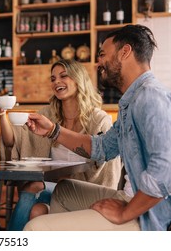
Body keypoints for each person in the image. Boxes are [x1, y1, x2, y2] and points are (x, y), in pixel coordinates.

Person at [24, 25, 171, 231]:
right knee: (64, 190)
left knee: (35, 228)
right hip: (131, 196)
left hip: (149, 215)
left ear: (125, 52)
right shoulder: (132, 100)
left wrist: (124, 213)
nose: (98, 62)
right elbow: (102, 147)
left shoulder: (150, 97)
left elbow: (164, 171)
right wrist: (53, 131)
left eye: (102, 54)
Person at [0, 59, 122, 231]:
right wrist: (2, 115)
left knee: (36, 197)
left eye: (64, 76)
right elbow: (14, 141)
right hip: (54, 189)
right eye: (53, 78)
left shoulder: (98, 119)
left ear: (78, 80)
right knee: (36, 201)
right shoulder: (47, 115)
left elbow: (108, 169)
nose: (57, 82)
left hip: (86, 192)